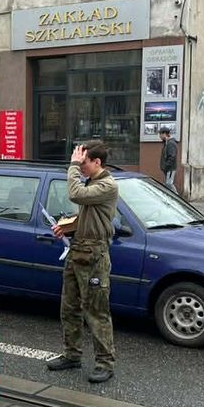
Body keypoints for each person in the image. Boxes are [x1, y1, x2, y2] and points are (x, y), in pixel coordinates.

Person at [46, 141, 118, 384]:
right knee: (69, 308)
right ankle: (72, 354)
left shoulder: (107, 185)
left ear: (97, 162)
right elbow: (88, 215)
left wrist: (72, 167)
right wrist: (66, 227)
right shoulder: (92, 183)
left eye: (84, 162)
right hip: (77, 250)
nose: (81, 167)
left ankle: (105, 363)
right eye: (80, 163)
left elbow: (75, 194)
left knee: (96, 311)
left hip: (95, 255)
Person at [158, 127, 178, 193]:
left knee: (169, 184)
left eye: (160, 134)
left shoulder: (171, 143)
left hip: (170, 168)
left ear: (164, 134)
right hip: (167, 169)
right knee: (168, 184)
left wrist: (166, 166)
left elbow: (172, 156)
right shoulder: (167, 143)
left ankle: (177, 198)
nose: (159, 136)